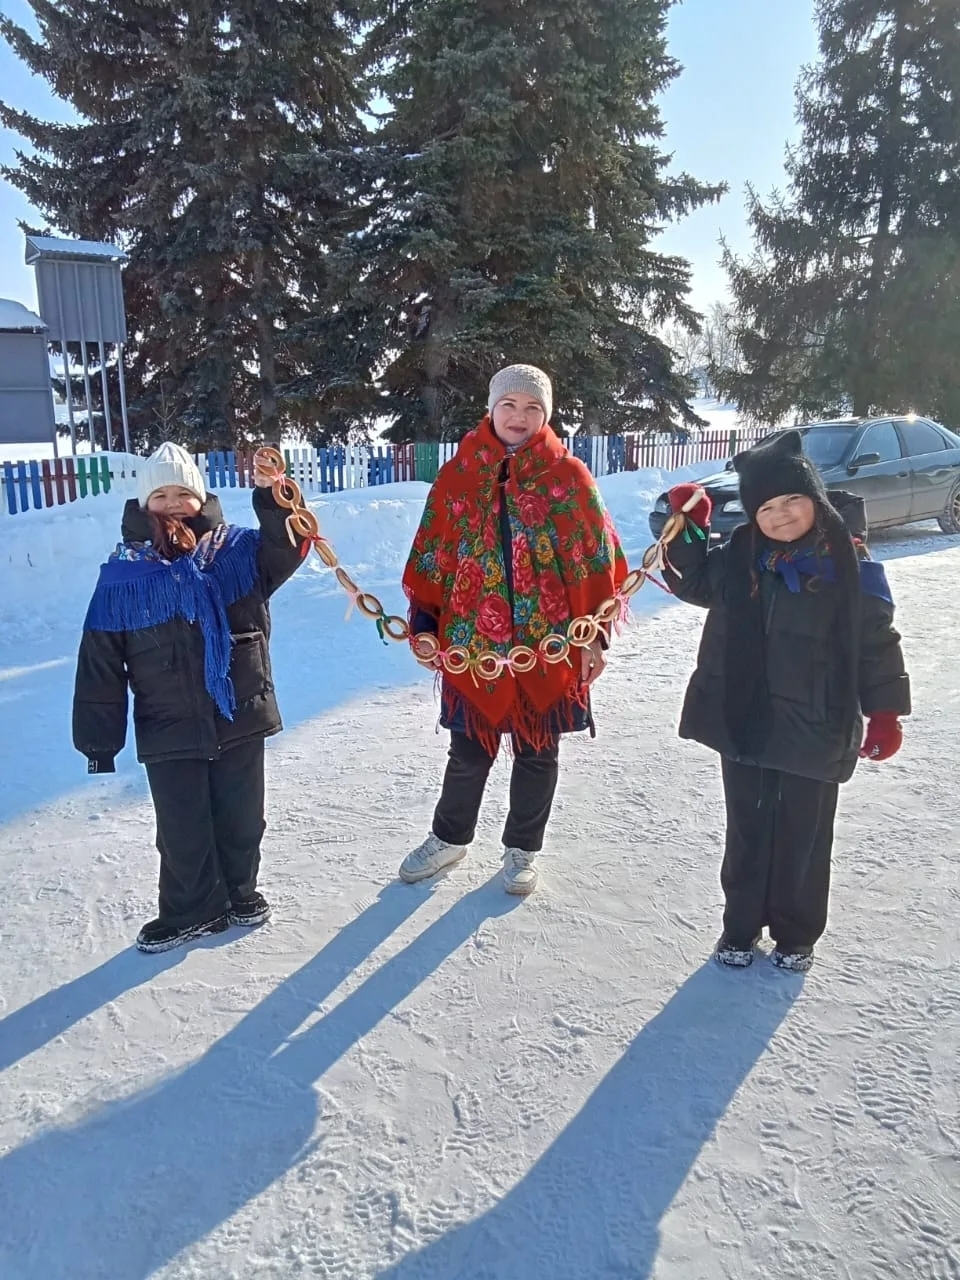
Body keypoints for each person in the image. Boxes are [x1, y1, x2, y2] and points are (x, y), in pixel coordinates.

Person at [664, 430, 911, 972]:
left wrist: (885, 711)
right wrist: (688, 527)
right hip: (747, 717)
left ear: (816, 499)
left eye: (792, 500)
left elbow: (876, 640)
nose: (780, 516)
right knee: (748, 830)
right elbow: (691, 581)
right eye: (766, 507)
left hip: (817, 722)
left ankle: (797, 935)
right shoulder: (738, 558)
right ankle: (740, 927)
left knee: (804, 835)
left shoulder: (850, 561)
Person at [400, 364, 627, 895]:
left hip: (547, 645)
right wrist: (426, 622)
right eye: (510, 405)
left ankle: (523, 848)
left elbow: (595, 562)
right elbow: (434, 553)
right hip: (471, 643)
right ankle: (449, 838)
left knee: (537, 750)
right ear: (492, 408)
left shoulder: (569, 477)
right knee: (468, 749)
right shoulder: (457, 475)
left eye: (532, 408)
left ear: (546, 415)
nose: (520, 417)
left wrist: (594, 636)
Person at [73, 441, 306, 953]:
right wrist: (98, 742)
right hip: (168, 721)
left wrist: (272, 498)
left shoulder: (240, 552)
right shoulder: (121, 577)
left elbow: (287, 546)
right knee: (182, 827)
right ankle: (189, 910)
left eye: (184, 492)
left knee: (243, 816)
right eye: (161, 494)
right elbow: (100, 664)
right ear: (142, 504)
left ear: (201, 498)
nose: (174, 503)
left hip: (238, 708)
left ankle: (240, 893)